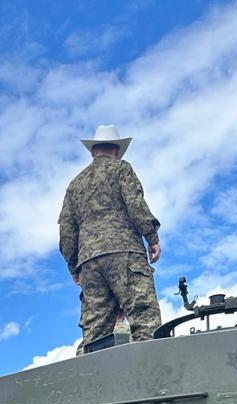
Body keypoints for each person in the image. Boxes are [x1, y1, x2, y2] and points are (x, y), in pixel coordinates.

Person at [59, 123, 162, 351]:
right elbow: (135, 205)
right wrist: (152, 237)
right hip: (124, 252)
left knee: (95, 334)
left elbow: (66, 232)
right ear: (116, 150)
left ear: (93, 151)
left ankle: (89, 372)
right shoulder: (121, 169)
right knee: (144, 319)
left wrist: (74, 267)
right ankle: (153, 371)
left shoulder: (75, 185)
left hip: (89, 264)